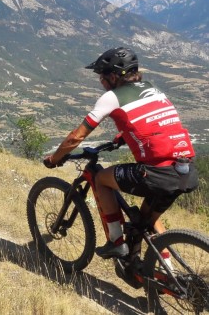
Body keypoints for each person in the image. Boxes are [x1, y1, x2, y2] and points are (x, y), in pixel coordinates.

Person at [43, 47, 199, 259]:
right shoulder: (153, 89)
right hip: (185, 170)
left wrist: (54, 159)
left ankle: (115, 241)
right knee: (147, 221)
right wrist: (121, 138)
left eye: (102, 77)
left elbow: (76, 137)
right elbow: (154, 124)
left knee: (100, 179)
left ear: (114, 77)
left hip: (156, 174)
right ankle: (169, 276)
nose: (101, 82)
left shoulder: (112, 98)